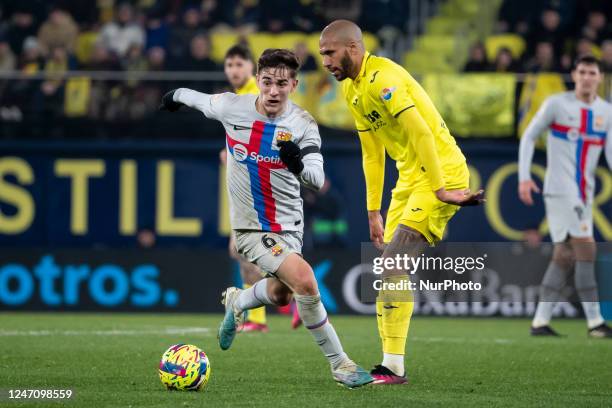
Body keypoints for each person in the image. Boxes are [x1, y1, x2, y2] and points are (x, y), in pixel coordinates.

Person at [159, 48, 373, 388]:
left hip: (290, 228)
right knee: (304, 279)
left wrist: (297, 164)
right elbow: (198, 99)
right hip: (251, 228)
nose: (274, 91)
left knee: (281, 295)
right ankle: (340, 364)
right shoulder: (233, 107)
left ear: (294, 84)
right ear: (257, 81)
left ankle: (238, 300)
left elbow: (317, 178)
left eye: (282, 84)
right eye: (268, 82)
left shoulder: (303, 124)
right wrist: (174, 96)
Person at [319, 20, 484, 385]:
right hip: (409, 179)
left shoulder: (384, 79)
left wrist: (441, 189)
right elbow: (372, 155)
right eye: (322, 55)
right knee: (387, 268)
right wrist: (372, 211)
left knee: (393, 264)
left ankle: (393, 368)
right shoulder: (353, 90)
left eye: (330, 53)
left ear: (352, 48)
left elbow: (422, 132)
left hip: (441, 172)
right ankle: (391, 363)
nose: (326, 62)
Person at [518, 55, 612, 338]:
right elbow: (529, 136)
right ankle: (595, 323)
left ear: (600, 77)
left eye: (591, 72)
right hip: (560, 189)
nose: (586, 77)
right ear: (574, 74)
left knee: (564, 256)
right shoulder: (557, 104)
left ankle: (540, 321)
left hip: (584, 192)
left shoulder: (607, 111)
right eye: (581, 71)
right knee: (587, 248)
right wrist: (524, 177)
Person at [222, 44, 269, 333]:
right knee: (242, 249)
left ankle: (296, 299)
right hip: (245, 184)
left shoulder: (254, 94)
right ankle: (259, 317)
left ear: (252, 67)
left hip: (256, 184)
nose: (233, 70)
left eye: (239, 64)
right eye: (229, 65)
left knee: (245, 248)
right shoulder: (241, 96)